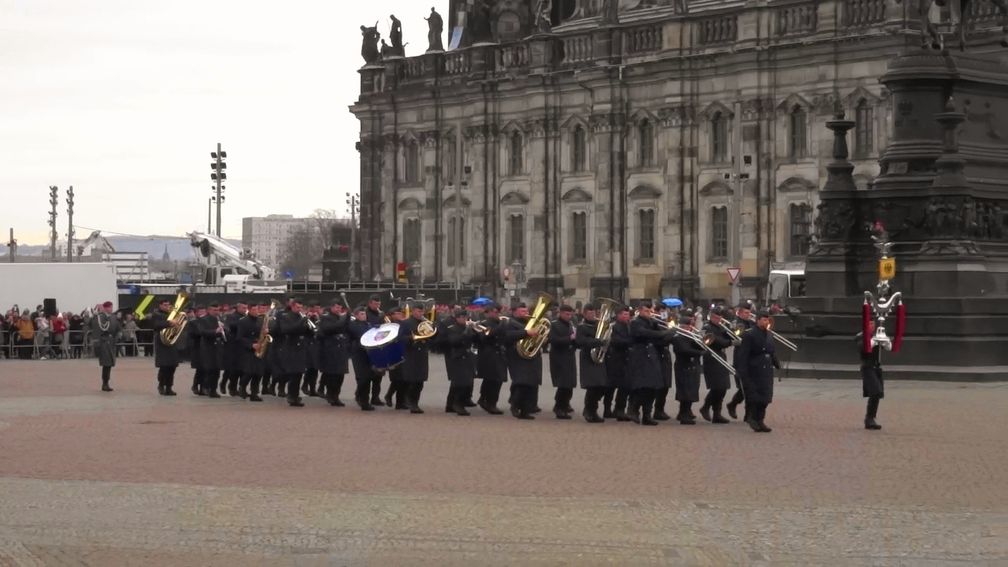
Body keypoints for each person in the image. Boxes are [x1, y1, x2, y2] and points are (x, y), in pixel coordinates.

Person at [735, 310, 780, 432]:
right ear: (758, 320)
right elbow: (743, 355)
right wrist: (742, 372)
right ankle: (753, 419)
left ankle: (760, 420)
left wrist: (776, 363)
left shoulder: (769, 334)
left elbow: (771, 350)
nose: (766, 322)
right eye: (764, 320)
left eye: (767, 320)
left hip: (766, 370)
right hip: (754, 369)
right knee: (755, 397)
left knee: (765, 397)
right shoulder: (749, 334)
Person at [502, 303, 543, 420]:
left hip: (531, 356)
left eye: (526, 312)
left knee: (530, 384)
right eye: (522, 312)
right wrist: (526, 333)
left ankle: (525, 410)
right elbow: (507, 336)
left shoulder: (530, 323)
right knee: (521, 382)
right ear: (515, 312)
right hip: (516, 356)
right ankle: (515, 404)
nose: (525, 314)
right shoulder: (509, 323)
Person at [628, 302, 665, 426]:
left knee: (653, 387)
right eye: (646, 311)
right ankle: (633, 409)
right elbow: (644, 333)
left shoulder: (652, 323)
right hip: (640, 356)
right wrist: (661, 333)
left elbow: (660, 337)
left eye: (650, 311)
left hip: (652, 356)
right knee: (643, 386)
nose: (649, 313)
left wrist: (668, 332)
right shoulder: (635, 322)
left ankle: (647, 415)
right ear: (639, 311)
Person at [273, 297, 312, 407]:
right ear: (292, 306)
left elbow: (307, 332)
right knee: (294, 373)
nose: (300, 309)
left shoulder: (301, 317)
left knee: (299, 374)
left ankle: (295, 396)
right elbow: (287, 329)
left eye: (301, 307)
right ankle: (291, 396)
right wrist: (303, 320)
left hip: (301, 347)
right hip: (291, 347)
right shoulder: (286, 317)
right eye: (297, 307)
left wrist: (311, 327)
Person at [699, 307, 735, 424]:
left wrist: (732, 332)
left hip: (721, 357)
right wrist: (730, 342)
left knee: (723, 387)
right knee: (717, 387)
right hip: (711, 358)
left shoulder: (721, 327)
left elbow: (729, 336)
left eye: (719, 318)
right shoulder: (706, 327)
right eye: (715, 317)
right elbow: (716, 340)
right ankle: (705, 406)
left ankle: (717, 414)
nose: (718, 320)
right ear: (711, 316)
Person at [575, 303, 608, 423]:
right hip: (588, 357)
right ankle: (590, 411)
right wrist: (597, 342)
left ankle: (592, 409)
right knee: (592, 386)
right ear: (584, 314)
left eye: (594, 313)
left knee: (601, 386)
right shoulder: (582, 327)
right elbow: (580, 341)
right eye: (590, 314)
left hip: (600, 358)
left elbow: (606, 337)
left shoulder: (599, 325)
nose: (593, 316)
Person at [671, 310, 706, 425]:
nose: (691, 328)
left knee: (692, 390)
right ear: (683, 326)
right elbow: (685, 350)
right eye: (689, 326)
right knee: (685, 391)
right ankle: (683, 414)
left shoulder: (691, 335)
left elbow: (698, 344)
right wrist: (701, 353)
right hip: (684, 366)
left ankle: (686, 411)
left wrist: (702, 343)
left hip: (693, 366)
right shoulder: (678, 336)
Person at [441, 308, 477, 416]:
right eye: (461, 317)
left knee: (462, 383)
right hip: (457, 357)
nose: (464, 319)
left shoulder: (468, 328)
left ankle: (450, 405)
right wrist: (467, 330)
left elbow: (476, 340)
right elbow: (454, 341)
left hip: (468, 356)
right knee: (461, 383)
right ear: (456, 318)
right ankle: (458, 404)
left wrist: (475, 330)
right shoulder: (453, 328)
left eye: (465, 317)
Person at [398, 301, 432, 413]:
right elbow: (400, 338)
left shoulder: (426, 322)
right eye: (418, 311)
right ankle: (410, 402)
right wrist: (411, 338)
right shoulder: (406, 323)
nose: (421, 313)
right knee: (412, 380)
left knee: (420, 381)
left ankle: (415, 403)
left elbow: (431, 335)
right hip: (411, 353)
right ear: (413, 311)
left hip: (422, 353)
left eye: (422, 311)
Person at [474, 302, 507, 414]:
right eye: (495, 312)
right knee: (492, 379)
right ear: (488, 312)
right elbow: (486, 336)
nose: (497, 314)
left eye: (498, 312)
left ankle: (485, 400)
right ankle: (489, 402)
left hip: (499, 353)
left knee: (496, 379)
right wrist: (501, 325)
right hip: (488, 354)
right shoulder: (482, 323)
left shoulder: (498, 322)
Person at [317, 300, 351, 407]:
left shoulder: (340, 318)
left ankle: (336, 396)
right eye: (336, 307)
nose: (338, 310)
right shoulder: (326, 317)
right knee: (332, 375)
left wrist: (348, 318)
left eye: (340, 308)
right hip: (331, 350)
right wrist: (344, 318)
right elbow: (330, 328)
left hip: (341, 349)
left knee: (340, 376)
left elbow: (346, 328)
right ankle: (330, 395)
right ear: (332, 307)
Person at [726, 303, 755, 420]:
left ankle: (733, 405)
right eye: (746, 313)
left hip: (752, 357)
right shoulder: (735, 323)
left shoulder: (752, 323)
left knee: (750, 388)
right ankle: (747, 414)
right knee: (745, 388)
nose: (748, 315)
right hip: (741, 357)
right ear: (740, 312)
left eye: (749, 313)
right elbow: (736, 336)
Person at [548, 304, 577, 420]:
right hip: (558, 357)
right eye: (566, 314)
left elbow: (574, 340)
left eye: (570, 314)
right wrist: (569, 339)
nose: (569, 316)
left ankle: (565, 405)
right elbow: (552, 340)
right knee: (563, 384)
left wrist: (576, 340)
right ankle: (559, 407)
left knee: (570, 384)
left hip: (569, 356)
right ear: (560, 313)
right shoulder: (554, 325)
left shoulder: (571, 324)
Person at [605, 306, 633, 421]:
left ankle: (619, 409)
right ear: (618, 315)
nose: (627, 317)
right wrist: (630, 342)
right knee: (610, 387)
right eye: (625, 314)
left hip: (626, 359)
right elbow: (615, 341)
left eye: (628, 315)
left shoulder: (629, 326)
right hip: (614, 359)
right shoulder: (613, 327)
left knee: (624, 387)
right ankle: (607, 409)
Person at [149, 298, 181, 396]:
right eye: (165, 305)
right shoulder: (156, 315)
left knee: (172, 366)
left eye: (168, 305)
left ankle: (169, 387)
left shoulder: (172, 315)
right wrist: (170, 323)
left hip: (172, 342)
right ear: (160, 305)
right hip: (162, 343)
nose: (167, 307)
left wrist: (178, 323)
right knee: (164, 366)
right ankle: (161, 385)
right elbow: (155, 325)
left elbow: (179, 325)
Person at [347, 305, 377, 411]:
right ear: (356, 315)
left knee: (368, 377)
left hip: (368, 353)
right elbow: (359, 334)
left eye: (365, 314)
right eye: (361, 314)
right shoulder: (353, 325)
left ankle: (363, 400)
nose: (364, 316)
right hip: (358, 353)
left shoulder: (369, 324)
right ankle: (360, 397)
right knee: (362, 377)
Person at [856, 320, 884, 430]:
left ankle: (871, 418)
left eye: (873, 324)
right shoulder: (861, 336)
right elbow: (864, 349)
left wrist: (883, 341)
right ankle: (869, 418)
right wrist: (874, 341)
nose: (872, 326)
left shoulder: (876, 336)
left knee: (877, 393)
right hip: (867, 367)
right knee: (875, 391)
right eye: (869, 323)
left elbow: (884, 348)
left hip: (876, 367)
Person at [90, 301, 122, 392]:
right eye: (110, 307)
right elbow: (103, 328)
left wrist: (118, 334)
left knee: (109, 364)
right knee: (106, 364)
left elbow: (118, 327)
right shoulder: (100, 317)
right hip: (104, 342)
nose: (111, 309)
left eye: (112, 307)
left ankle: (106, 382)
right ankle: (105, 383)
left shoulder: (113, 317)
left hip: (111, 342)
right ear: (105, 308)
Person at [237, 303, 265, 402]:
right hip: (248, 350)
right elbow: (239, 337)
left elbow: (262, 334)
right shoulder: (243, 321)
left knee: (258, 373)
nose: (256, 312)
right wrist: (251, 345)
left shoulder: (260, 321)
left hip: (260, 348)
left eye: (257, 310)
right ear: (249, 310)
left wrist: (265, 333)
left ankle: (254, 393)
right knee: (249, 371)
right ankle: (242, 387)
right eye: (254, 310)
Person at [197, 303, 226, 399]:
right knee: (209, 369)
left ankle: (213, 390)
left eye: (217, 310)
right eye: (214, 310)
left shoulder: (220, 319)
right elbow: (202, 332)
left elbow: (226, 330)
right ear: (209, 310)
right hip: (208, 348)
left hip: (218, 347)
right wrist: (215, 331)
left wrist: (224, 328)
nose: (216, 312)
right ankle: (205, 387)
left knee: (217, 370)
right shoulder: (203, 319)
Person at [365, 294, 386, 407]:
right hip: (369, 346)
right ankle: (363, 396)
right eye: (375, 304)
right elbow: (369, 327)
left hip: (379, 345)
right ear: (370, 303)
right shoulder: (365, 313)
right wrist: (380, 318)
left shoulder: (381, 314)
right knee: (368, 375)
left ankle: (375, 397)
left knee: (378, 375)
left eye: (379, 304)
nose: (377, 306)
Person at [187, 306, 206, 395]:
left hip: (206, 347)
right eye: (200, 312)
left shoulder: (207, 321)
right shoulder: (193, 322)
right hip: (197, 348)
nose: (202, 313)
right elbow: (191, 334)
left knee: (205, 369)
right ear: (196, 313)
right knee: (200, 368)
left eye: (204, 311)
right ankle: (195, 385)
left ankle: (203, 387)